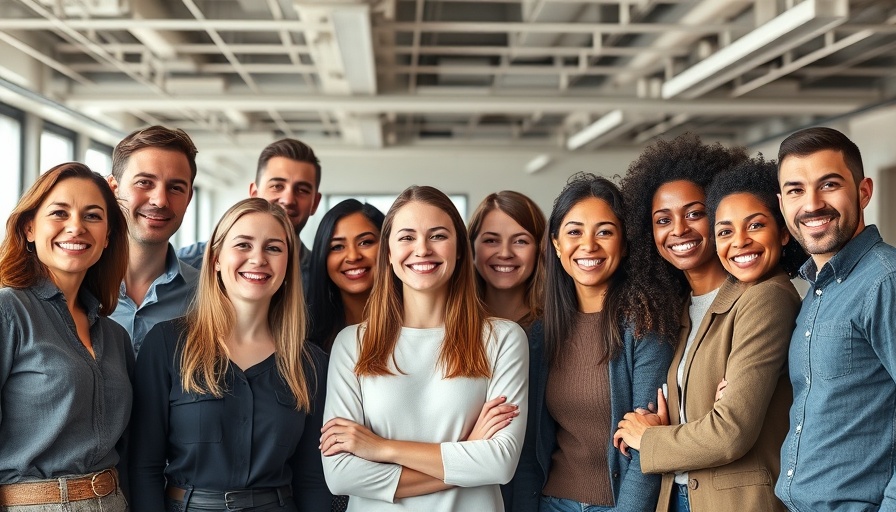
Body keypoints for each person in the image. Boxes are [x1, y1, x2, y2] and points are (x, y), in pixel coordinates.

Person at [320, 185, 529, 511]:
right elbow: (341, 475)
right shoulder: (353, 343)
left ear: (460, 249)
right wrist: (469, 451)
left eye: (438, 236)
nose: (422, 249)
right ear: (387, 252)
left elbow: (499, 463)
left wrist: (380, 448)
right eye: (406, 237)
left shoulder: (503, 339)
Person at [615, 137, 795, 512]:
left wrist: (649, 438)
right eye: (663, 220)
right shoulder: (680, 308)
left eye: (695, 213)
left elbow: (729, 434)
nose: (678, 229)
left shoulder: (762, 296)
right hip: (679, 497)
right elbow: (701, 415)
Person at [129, 198, 330, 511]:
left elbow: (312, 479)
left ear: (288, 266)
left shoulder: (311, 364)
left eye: (274, 248)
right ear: (216, 259)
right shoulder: (167, 344)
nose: (258, 259)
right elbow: (143, 466)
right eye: (244, 245)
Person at [510, 173, 673, 512]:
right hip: (551, 502)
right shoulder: (540, 335)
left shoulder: (645, 326)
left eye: (604, 232)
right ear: (556, 243)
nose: (588, 245)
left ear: (624, 244)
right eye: (574, 232)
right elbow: (530, 447)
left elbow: (648, 447)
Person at [773, 127, 896, 511]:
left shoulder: (885, 281)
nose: (811, 204)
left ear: (863, 191)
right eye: (796, 190)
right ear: (781, 204)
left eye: (828, 184)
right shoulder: (816, 288)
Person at [0, 162, 132, 510]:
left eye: (92, 216)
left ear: (107, 237)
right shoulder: (9, 311)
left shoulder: (116, 335)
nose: (76, 227)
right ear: (29, 227)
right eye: (59, 212)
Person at [178, 138, 322, 286]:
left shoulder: (323, 280)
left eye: (302, 190)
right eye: (277, 186)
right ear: (254, 193)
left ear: (315, 203)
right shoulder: (188, 264)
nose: (288, 199)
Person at [107, 125, 200, 353]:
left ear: (188, 198)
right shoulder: (75, 287)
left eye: (175, 188)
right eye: (144, 183)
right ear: (113, 189)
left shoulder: (206, 298)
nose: (160, 201)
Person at [306, 199, 385, 354]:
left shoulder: (416, 326)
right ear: (322, 257)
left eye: (365, 242)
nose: (353, 256)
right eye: (337, 247)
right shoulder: (306, 338)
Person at [468, 190, 545, 328]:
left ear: (539, 249)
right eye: (491, 240)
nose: (505, 253)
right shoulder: (450, 322)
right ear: (471, 248)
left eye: (520, 241)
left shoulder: (559, 328)